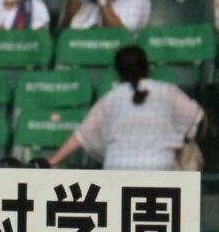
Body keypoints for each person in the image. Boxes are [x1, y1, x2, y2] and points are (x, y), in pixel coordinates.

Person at [50, 44, 202, 169]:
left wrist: (53, 162)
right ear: (148, 68)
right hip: (159, 171)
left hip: (117, 170)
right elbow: (198, 117)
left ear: (117, 72)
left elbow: (80, 136)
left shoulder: (110, 98)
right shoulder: (167, 91)